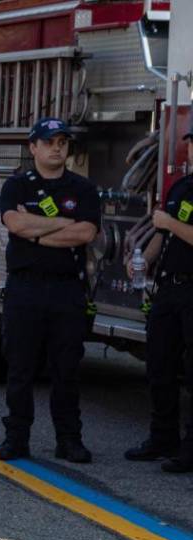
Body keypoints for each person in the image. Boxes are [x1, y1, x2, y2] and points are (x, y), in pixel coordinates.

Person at [0, 118, 100, 464]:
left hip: (66, 290)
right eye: (49, 141)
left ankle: (69, 439)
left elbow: (85, 233)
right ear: (33, 147)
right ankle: (16, 438)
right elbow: (15, 222)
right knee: (20, 367)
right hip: (26, 288)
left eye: (62, 142)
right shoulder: (17, 185)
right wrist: (57, 226)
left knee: (66, 368)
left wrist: (35, 231)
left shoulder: (82, 189)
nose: (57, 148)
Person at [125, 119, 193, 473]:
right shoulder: (181, 187)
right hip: (168, 289)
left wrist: (169, 224)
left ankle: (190, 449)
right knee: (159, 366)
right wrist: (143, 260)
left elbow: (172, 228)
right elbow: (162, 236)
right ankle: (162, 437)